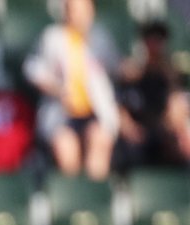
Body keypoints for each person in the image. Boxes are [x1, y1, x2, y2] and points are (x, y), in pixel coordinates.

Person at [23, 0, 121, 179]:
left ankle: (94, 197)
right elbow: (33, 69)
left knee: (100, 139)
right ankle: (73, 199)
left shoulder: (100, 37)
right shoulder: (53, 37)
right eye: (75, 10)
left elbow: (116, 68)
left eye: (85, 10)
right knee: (66, 149)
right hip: (63, 112)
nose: (80, 15)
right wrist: (55, 88)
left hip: (95, 110)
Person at [118, 20, 190, 169]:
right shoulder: (133, 77)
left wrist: (170, 79)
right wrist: (130, 128)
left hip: (166, 132)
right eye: (150, 39)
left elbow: (182, 110)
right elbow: (122, 107)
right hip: (140, 134)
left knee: (186, 147)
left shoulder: (174, 77)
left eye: (159, 39)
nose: (155, 44)